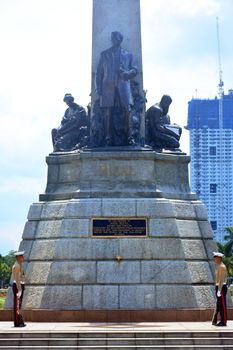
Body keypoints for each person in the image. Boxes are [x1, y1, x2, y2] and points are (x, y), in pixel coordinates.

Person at [96, 31, 137, 146]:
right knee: (107, 112)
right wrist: (98, 87)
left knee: (127, 111)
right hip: (107, 87)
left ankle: (130, 137)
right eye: (112, 38)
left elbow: (135, 69)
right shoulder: (104, 54)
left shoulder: (128, 55)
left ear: (120, 40)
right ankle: (107, 137)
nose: (113, 40)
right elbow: (99, 73)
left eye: (116, 38)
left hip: (123, 85)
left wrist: (127, 74)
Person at [212, 251, 228, 326]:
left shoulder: (221, 267)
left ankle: (223, 321)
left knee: (222, 305)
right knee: (219, 305)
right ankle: (218, 320)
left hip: (221, 287)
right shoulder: (219, 266)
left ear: (219, 258)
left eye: (215, 258)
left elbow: (221, 279)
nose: (214, 259)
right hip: (219, 287)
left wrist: (219, 290)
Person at [12, 251, 26, 327]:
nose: (23, 257)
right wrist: (20, 290)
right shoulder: (16, 266)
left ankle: (20, 321)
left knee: (19, 305)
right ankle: (18, 323)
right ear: (18, 257)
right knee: (17, 305)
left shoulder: (19, 265)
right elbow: (17, 279)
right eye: (22, 256)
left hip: (20, 285)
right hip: (18, 286)